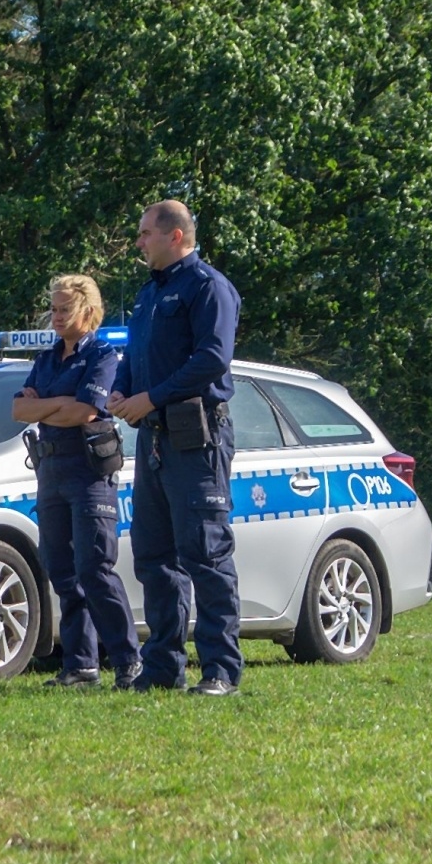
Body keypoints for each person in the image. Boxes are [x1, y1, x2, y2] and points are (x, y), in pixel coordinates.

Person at [107, 200, 242, 696]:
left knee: (205, 554)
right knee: (154, 556)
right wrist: (123, 389)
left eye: (145, 234)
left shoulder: (208, 287)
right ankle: (163, 667)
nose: (139, 243)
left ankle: (220, 670)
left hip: (196, 435)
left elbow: (211, 359)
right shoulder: (148, 295)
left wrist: (152, 397)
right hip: (155, 439)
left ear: (176, 236)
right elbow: (134, 355)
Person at [12, 275, 143, 690]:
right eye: (53, 309)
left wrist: (45, 408)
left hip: (89, 473)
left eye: (64, 309)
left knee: (95, 569)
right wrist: (58, 407)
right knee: (62, 571)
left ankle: (128, 661)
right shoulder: (47, 359)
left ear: (87, 311)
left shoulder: (103, 355)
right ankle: (80, 666)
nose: (56, 317)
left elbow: (87, 411)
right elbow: (18, 410)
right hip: (50, 471)